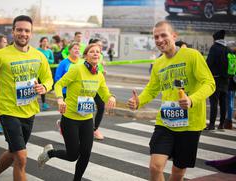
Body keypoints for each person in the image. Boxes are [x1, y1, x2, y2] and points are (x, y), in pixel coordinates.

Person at [0, 15, 53, 181]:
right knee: (21, 157)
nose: (23, 33)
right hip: (8, 111)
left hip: (29, 111)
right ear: (13, 32)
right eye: (19, 30)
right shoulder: (1, 55)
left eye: (27, 30)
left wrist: (45, 87)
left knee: (14, 152)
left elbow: (48, 79)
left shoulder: (39, 56)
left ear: (31, 33)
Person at [127, 21, 215, 181]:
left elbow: (210, 83)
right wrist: (139, 100)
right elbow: (152, 89)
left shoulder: (192, 55)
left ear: (174, 36)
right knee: (155, 166)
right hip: (165, 122)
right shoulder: (158, 63)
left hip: (190, 124)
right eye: (156, 37)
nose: (159, 40)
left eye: (163, 35)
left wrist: (192, 99)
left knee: (178, 172)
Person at [37, 43, 116, 181]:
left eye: (98, 52)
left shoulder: (99, 75)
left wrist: (111, 97)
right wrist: (60, 100)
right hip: (70, 118)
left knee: (86, 154)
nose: (96, 54)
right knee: (73, 156)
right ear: (86, 55)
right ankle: (50, 153)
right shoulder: (77, 69)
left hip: (86, 119)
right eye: (92, 51)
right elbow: (59, 84)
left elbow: (104, 92)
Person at [205, 30, 229, 130]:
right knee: (223, 102)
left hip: (215, 79)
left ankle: (211, 124)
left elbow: (209, 63)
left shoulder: (214, 48)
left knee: (214, 102)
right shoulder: (227, 48)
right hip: (226, 79)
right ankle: (221, 124)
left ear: (215, 39)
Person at [88, 38, 106, 140]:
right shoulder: (85, 58)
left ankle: (94, 129)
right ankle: (65, 123)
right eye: (97, 45)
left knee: (101, 106)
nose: (99, 48)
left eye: (100, 47)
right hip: (86, 87)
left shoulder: (100, 56)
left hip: (97, 86)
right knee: (83, 108)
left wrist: (103, 73)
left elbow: (99, 71)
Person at [37, 37, 54, 111]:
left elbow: (52, 60)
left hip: (46, 71)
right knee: (36, 87)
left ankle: (43, 103)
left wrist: (46, 60)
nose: (45, 43)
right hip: (38, 71)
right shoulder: (37, 50)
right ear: (40, 42)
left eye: (46, 41)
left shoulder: (49, 51)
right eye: (43, 41)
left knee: (43, 87)